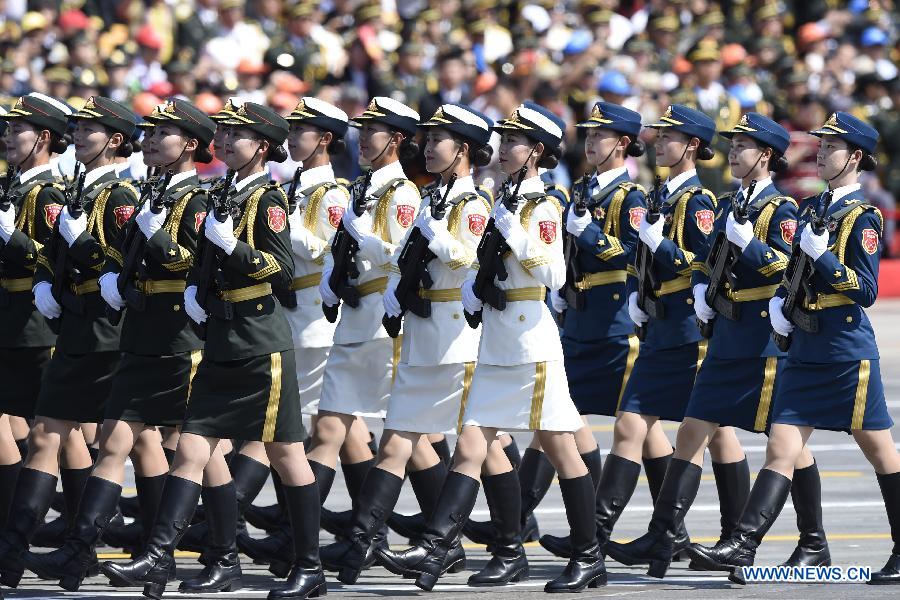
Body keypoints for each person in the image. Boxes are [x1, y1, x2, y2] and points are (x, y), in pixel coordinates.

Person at [374, 102, 606, 593]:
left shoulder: (541, 204)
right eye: (503, 142)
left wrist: (513, 232)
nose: (503, 151)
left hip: (530, 344)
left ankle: (588, 556)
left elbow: (553, 275)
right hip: (496, 341)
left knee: (563, 450)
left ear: (537, 152)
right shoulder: (506, 199)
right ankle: (452, 547)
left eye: (515, 144)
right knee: (472, 444)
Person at [100, 103, 325, 600]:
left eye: (236, 136)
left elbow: (280, 270)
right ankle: (165, 554)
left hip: (259, 343)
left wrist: (231, 248)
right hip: (219, 339)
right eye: (221, 133)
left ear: (262, 147)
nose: (223, 141)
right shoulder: (221, 191)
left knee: (287, 454)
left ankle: (310, 568)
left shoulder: (267, 198)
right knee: (193, 447)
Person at [21, 98, 235, 593]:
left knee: (196, 449)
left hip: (180, 336)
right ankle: (83, 553)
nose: (154, 139)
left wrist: (150, 240)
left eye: (166, 133)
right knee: (120, 439)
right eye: (153, 131)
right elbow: (125, 253)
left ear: (190, 146)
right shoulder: (150, 193)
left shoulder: (197, 200)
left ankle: (220, 552)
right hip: (142, 331)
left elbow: (190, 261)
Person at [605, 112, 829, 578]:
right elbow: (707, 259)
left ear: (764, 156)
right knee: (693, 430)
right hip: (725, 334)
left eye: (743, 147)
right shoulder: (729, 204)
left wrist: (750, 248)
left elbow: (787, 268)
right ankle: (664, 535)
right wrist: (704, 287)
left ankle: (811, 541)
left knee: (786, 444)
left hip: (762, 338)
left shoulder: (781, 210)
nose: (734, 153)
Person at [687, 112, 900, 586]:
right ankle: (747, 543)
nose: (820, 153)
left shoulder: (862, 215)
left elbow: (865, 290)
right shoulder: (811, 208)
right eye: (820, 146)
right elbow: (791, 271)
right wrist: (783, 302)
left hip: (846, 353)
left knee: (881, 452)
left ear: (856, 157)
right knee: (781, 445)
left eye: (831, 147)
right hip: (805, 347)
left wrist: (824, 256)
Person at [320, 102, 493, 585]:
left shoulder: (471, 205)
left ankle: (476, 543)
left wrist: (431, 239)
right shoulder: (431, 197)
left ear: (463, 150)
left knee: (477, 446)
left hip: (454, 337)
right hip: (419, 332)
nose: (428, 146)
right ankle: (362, 542)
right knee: (399, 440)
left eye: (439, 140)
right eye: (428, 137)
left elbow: (467, 261)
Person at [587, 104, 744, 563]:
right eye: (658, 136)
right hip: (659, 326)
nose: (658, 142)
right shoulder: (659, 197)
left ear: (692, 146)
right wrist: (639, 292)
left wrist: (661, 246)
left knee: (709, 432)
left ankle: (597, 538)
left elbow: (701, 266)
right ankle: (622, 536)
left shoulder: (697, 202)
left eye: (669, 137)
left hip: (687, 330)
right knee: (642, 423)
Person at [0, 95, 140, 591]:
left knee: (120, 440)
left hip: (101, 328)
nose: (79, 136)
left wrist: (71, 257)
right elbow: (55, 256)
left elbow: (127, 259)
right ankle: (17, 551)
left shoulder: (118, 193)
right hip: (71, 321)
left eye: (90, 130)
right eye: (76, 129)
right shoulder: (74, 188)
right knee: (52, 434)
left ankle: (97, 545)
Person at [237, 96, 350, 574]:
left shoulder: (332, 193)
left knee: (286, 429)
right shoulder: (297, 186)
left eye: (301, 129)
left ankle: (248, 519)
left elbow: (319, 247)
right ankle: (304, 530)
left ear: (323, 140)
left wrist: (275, 226)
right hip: (291, 312)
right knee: (318, 431)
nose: (292, 137)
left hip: (313, 317)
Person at [539, 101, 648, 559]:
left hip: (615, 324)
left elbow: (633, 255)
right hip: (579, 322)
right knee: (558, 419)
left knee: (634, 427)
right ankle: (545, 520)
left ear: (622, 144)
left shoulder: (632, 197)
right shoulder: (581, 189)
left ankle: (596, 530)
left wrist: (587, 235)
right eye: (587, 133)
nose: (589, 141)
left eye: (600, 135)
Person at [309, 96, 421, 540]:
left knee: (408, 437)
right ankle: (332, 531)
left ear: (395, 140)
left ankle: (431, 529)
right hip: (354, 317)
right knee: (333, 424)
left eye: (372, 130)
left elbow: (399, 256)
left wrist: (361, 233)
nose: (361, 138)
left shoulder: (401, 193)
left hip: (381, 321)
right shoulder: (364, 188)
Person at [0, 96, 68, 531]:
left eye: (16, 129)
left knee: (58, 430)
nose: (7, 137)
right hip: (9, 317)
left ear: (43, 137)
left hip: (35, 321)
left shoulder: (50, 192)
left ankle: (17, 526)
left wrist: (12, 237)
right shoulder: (14, 185)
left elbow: (55, 257)